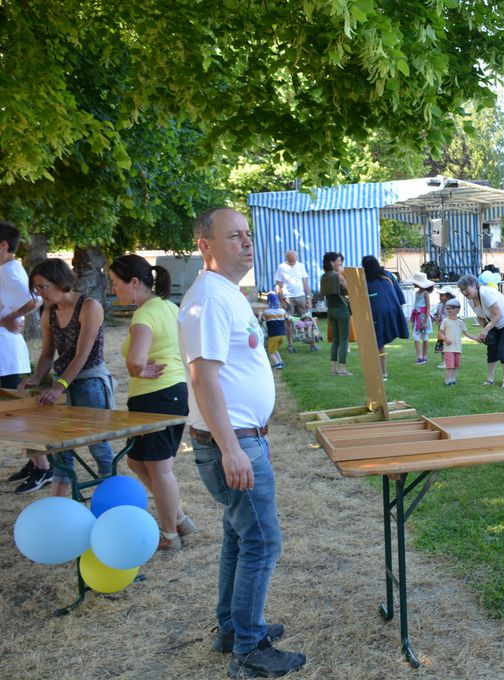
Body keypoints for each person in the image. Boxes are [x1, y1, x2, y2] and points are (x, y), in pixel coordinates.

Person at [179, 208, 304, 675]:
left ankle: (233, 628)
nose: (247, 243)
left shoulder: (225, 293)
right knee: (262, 543)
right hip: (232, 443)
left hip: (241, 439)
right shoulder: (208, 299)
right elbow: (203, 378)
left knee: (239, 537)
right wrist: (231, 448)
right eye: (234, 236)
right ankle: (248, 652)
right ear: (205, 246)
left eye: (247, 235)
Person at [108, 255, 195, 551]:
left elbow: (135, 361)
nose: (113, 290)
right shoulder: (170, 307)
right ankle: (179, 518)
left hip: (157, 395)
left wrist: (139, 369)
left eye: (115, 283)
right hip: (171, 392)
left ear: (134, 283)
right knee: (137, 461)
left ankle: (170, 535)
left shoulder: (145, 314)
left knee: (160, 469)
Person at [19, 259, 114, 498]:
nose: (40, 293)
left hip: (90, 382)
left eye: (43, 287)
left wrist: (58, 386)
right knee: (61, 447)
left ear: (61, 282)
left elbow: (83, 354)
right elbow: (47, 354)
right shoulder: (48, 313)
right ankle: (59, 502)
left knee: (98, 444)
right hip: (62, 382)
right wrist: (36, 378)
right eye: (36, 288)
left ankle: (112, 493)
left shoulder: (89, 306)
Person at [0, 221, 51, 492]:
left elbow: (36, 298)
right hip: (4, 354)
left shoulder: (9, 271)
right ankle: (35, 462)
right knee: (10, 415)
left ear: (3, 245)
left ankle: (45, 467)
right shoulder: (5, 270)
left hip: (5, 356)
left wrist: (10, 318)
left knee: (14, 415)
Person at [458, 273, 504, 387]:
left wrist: (486, 329)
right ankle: (489, 379)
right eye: (461, 290)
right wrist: (484, 332)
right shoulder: (471, 300)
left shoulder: (485, 293)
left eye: (465, 289)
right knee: (491, 349)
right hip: (495, 322)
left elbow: (499, 314)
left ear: (474, 285)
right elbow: (481, 316)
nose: (464, 293)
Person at [362, 255, 408, 381]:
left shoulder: (365, 280)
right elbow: (400, 297)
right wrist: (400, 315)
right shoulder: (388, 275)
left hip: (378, 313)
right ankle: (381, 372)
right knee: (379, 343)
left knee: (378, 343)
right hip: (393, 310)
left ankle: (382, 373)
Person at [274, 250, 316, 352]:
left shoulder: (300, 266)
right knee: (289, 322)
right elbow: (278, 285)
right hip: (288, 298)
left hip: (301, 296)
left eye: (294, 261)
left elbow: (305, 282)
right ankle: (290, 345)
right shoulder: (281, 267)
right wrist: (281, 300)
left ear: (296, 259)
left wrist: (308, 298)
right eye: (290, 261)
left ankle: (312, 343)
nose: (293, 263)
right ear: (286, 259)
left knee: (307, 319)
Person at [320, 252, 352, 376]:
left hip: (331, 310)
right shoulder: (338, 276)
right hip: (341, 310)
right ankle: (342, 368)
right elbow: (350, 289)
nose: (340, 263)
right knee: (344, 339)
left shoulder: (323, 276)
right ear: (332, 262)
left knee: (336, 340)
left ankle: (333, 368)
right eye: (338, 261)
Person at [437, 299, 477, 386]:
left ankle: (453, 379)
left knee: (455, 365)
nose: (450, 310)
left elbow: (466, 333)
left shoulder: (460, 322)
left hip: (457, 348)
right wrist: (445, 338)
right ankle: (447, 381)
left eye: (452, 307)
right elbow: (440, 333)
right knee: (449, 366)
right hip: (448, 348)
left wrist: (476, 338)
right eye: (448, 308)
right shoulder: (445, 321)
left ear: (458, 309)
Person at [409, 271, 435, 365]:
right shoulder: (417, 293)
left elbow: (428, 307)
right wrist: (413, 319)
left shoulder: (425, 293)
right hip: (417, 317)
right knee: (416, 336)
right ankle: (419, 355)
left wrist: (425, 321)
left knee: (424, 336)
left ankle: (424, 356)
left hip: (423, 317)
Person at [260, 293, 288, 369]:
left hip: (273, 335)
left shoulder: (266, 312)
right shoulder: (282, 311)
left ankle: (277, 364)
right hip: (283, 335)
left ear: (268, 302)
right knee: (274, 349)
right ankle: (281, 362)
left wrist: (260, 316)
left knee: (270, 351)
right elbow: (287, 318)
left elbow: (261, 321)